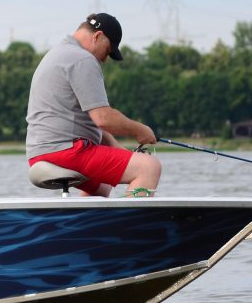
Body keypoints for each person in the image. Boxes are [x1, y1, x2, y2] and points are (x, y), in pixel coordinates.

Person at [25, 13, 162, 197]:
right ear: (98, 36)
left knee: (103, 186)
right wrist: (141, 130)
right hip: (65, 151)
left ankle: (88, 217)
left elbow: (90, 121)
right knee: (148, 167)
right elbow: (103, 118)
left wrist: (117, 148)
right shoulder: (82, 59)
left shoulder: (59, 53)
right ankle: (132, 217)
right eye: (108, 50)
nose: (105, 59)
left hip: (39, 152)